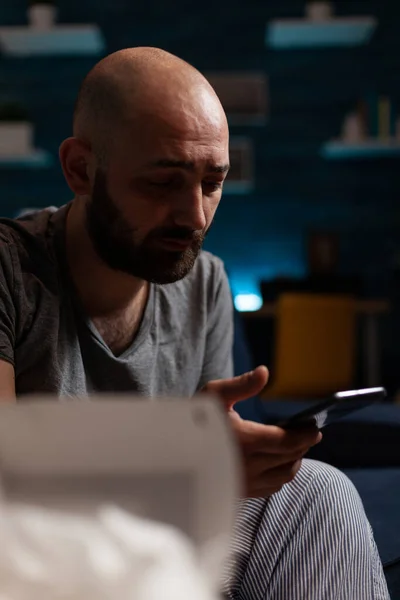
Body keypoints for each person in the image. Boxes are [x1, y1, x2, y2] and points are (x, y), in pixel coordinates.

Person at [0, 48, 389, 599]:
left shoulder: (206, 283)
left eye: (213, 182)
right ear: (81, 169)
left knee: (317, 491)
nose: (195, 215)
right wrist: (176, 456)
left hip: (154, 533)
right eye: (164, 183)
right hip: (35, 544)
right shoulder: (9, 271)